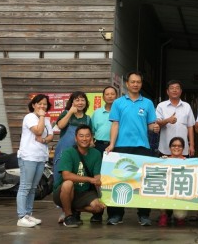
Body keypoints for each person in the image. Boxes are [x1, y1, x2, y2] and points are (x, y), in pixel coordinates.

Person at [104, 72, 159, 226]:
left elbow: (150, 125)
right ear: (127, 83)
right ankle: (116, 215)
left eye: (138, 82)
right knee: (118, 180)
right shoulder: (118, 103)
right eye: (133, 82)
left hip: (143, 146)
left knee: (143, 182)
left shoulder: (148, 103)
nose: (135, 84)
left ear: (141, 84)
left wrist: (154, 127)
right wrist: (112, 144)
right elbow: (115, 124)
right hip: (122, 146)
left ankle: (143, 215)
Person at [52, 125, 106, 227]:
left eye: (87, 136)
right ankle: (68, 216)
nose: (84, 139)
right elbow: (66, 175)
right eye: (81, 136)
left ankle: (72, 209)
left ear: (92, 137)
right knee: (68, 183)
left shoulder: (96, 154)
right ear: (76, 138)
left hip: (85, 192)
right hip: (64, 191)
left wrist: (103, 195)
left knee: (98, 208)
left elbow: (97, 176)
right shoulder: (68, 152)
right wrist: (90, 179)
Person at [16, 93, 54, 228]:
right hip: (28, 156)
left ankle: (28, 214)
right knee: (25, 186)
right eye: (39, 103)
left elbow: (50, 136)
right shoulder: (30, 117)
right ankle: (21, 216)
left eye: (45, 104)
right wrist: (42, 116)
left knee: (33, 188)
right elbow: (38, 131)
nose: (42, 106)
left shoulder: (47, 120)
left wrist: (44, 139)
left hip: (40, 156)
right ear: (33, 105)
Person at [89, 85, 117, 222]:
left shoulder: (120, 112)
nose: (110, 96)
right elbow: (92, 131)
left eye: (113, 94)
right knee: (98, 180)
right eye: (107, 94)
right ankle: (97, 212)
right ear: (103, 96)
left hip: (115, 148)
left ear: (116, 96)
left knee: (112, 180)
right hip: (99, 147)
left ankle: (113, 214)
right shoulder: (97, 113)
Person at [53, 91, 91, 184]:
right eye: (77, 100)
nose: (80, 102)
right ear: (72, 102)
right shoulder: (66, 113)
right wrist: (70, 112)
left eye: (83, 100)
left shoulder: (88, 119)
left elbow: (90, 136)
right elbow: (60, 126)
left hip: (80, 154)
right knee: (60, 177)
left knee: (77, 178)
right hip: (64, 152)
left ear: (86, 103)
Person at [156, 79, 196, 157]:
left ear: (181, 91)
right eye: (172, 88)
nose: (174, 90)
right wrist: (167, 120)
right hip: (165, 148)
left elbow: (190, 127)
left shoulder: (187, 106)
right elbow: (157, 123)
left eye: (177, 88)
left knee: (183, 169)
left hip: (183, 148)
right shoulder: (161, 106)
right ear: (167, 91)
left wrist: (192, 145)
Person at [157, 137, 189, 227]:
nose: (176, 148)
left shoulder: (189, 162)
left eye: (179, 146)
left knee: (180, 215)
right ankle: (163, 215)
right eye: (174, 146)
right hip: (166, 191)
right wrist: (161, 162)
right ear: (170, 147)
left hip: (181, 192)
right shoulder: (164, 160)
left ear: (183, 148)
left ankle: (179, 218)